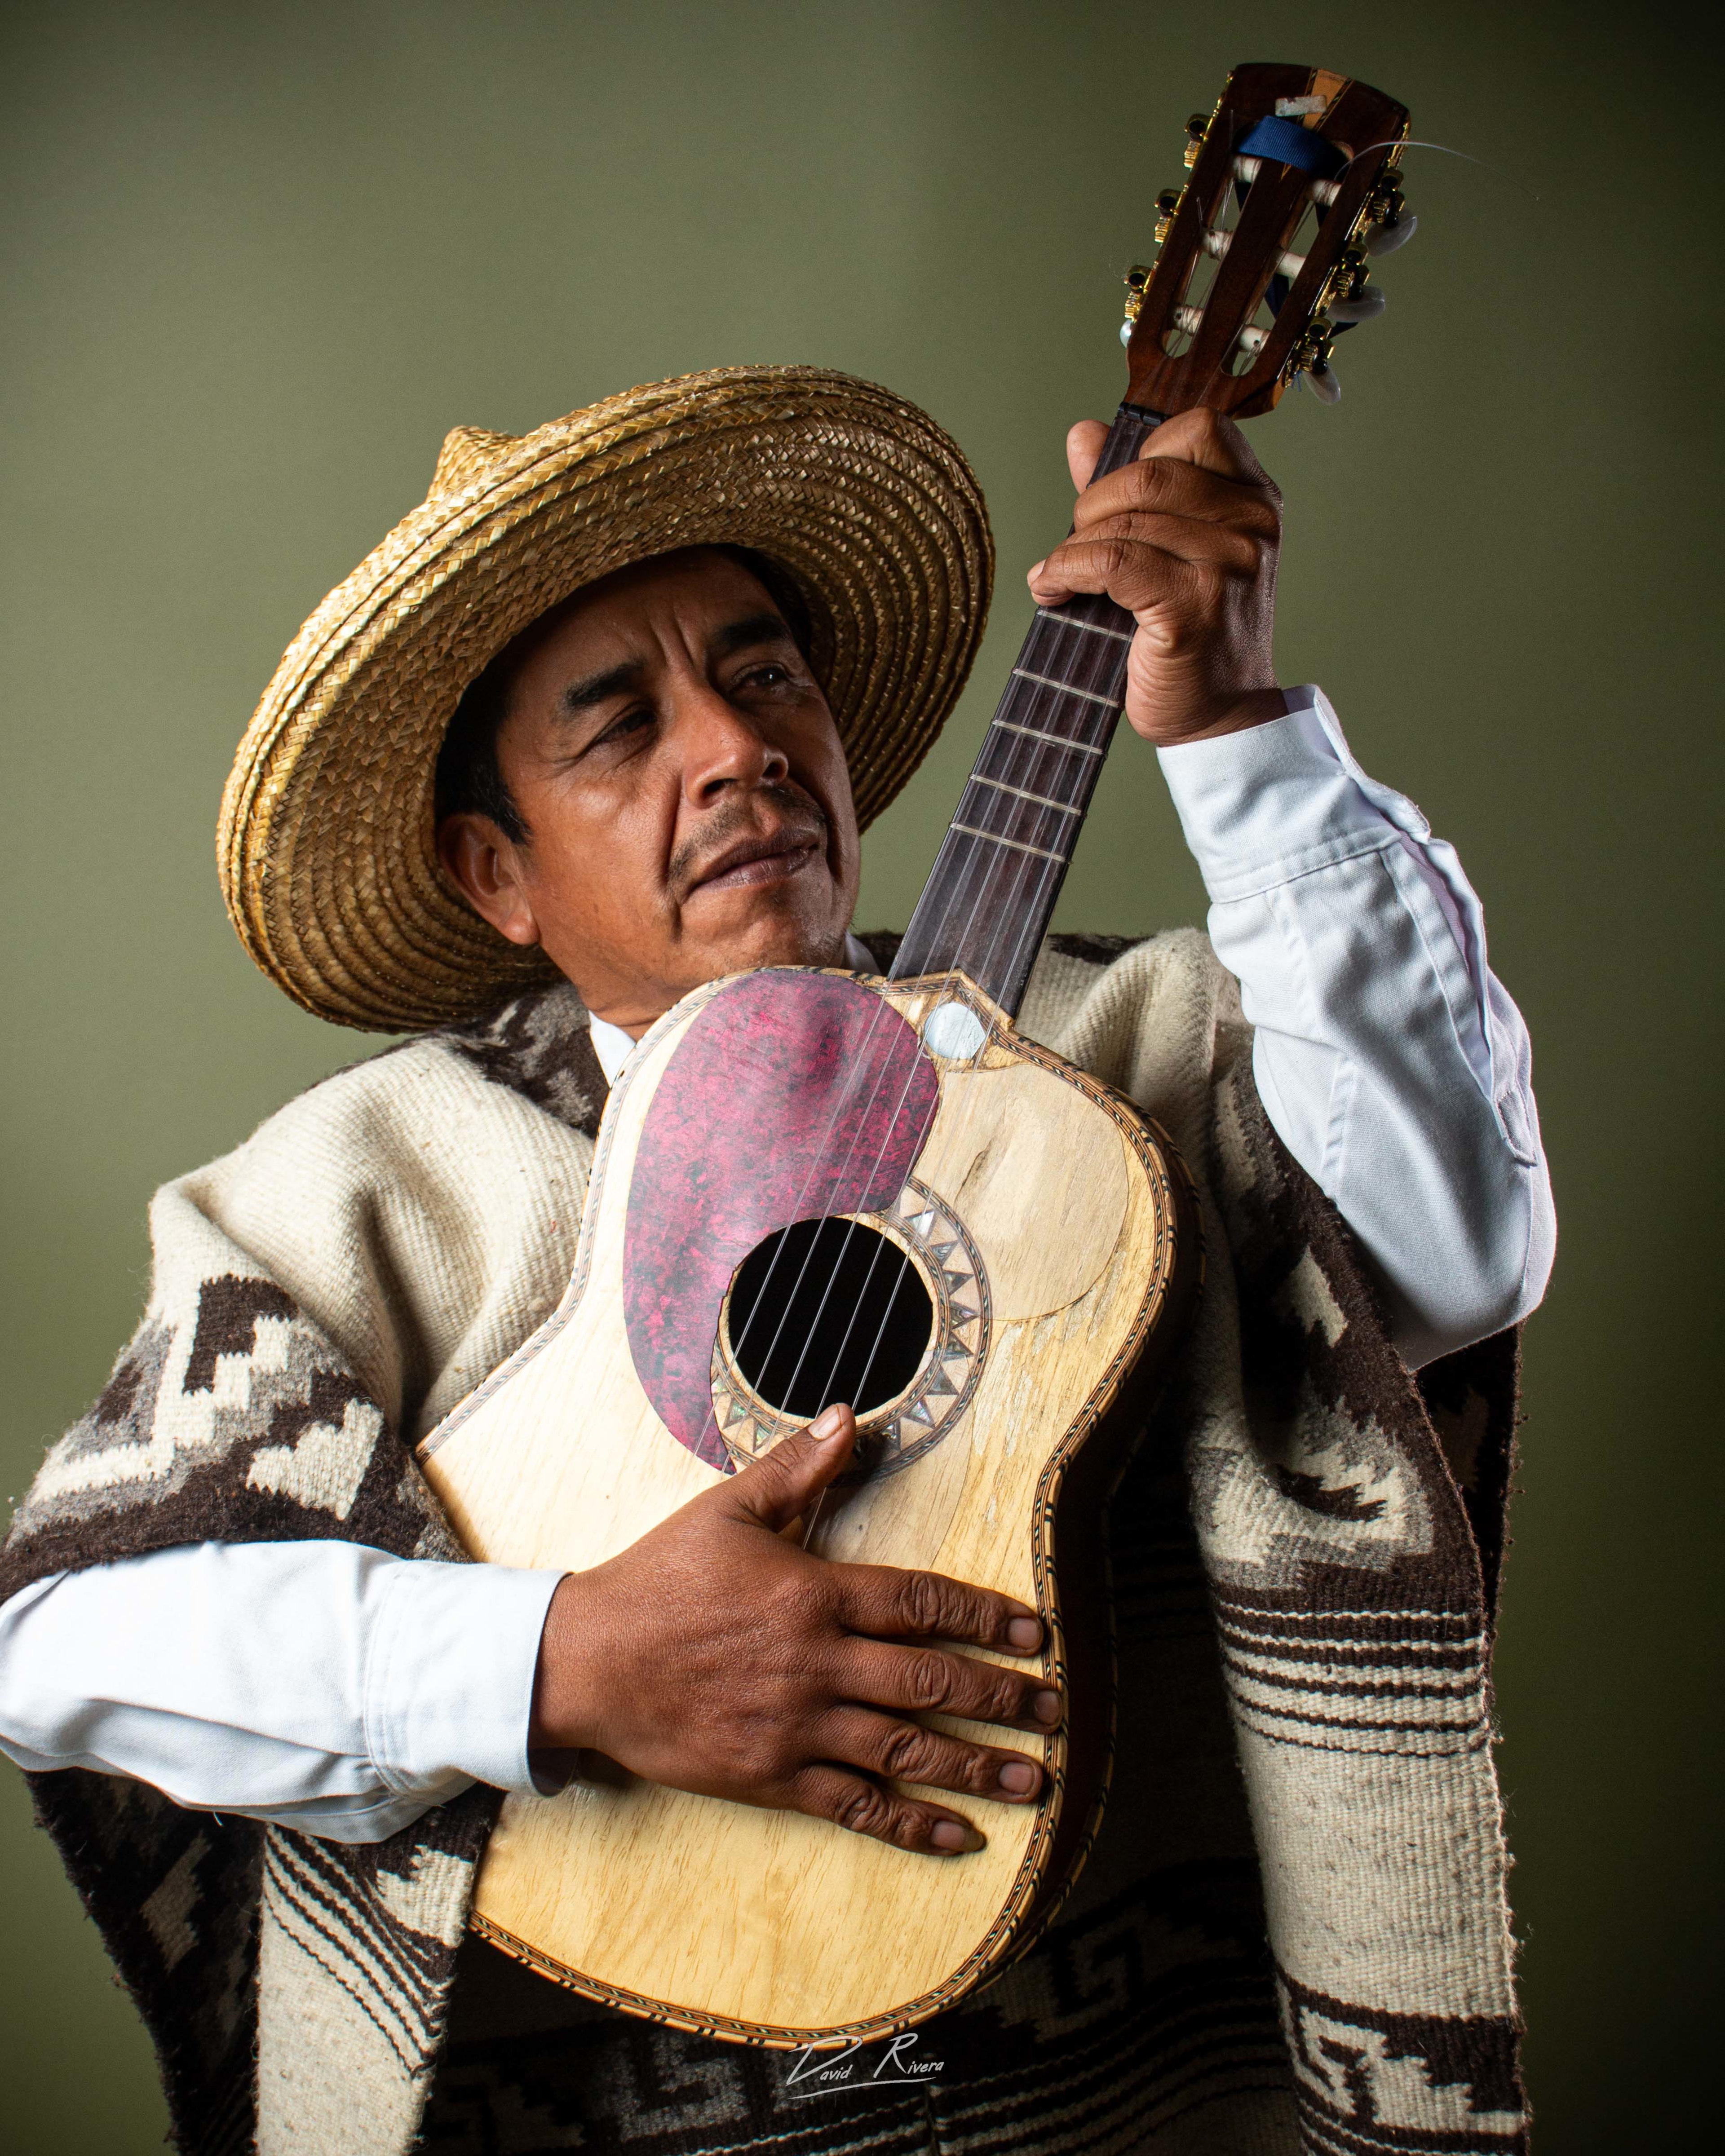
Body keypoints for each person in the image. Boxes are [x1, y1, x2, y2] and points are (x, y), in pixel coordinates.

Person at [0, 366, 1552, 2156]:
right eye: (618, 727)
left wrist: (1235, 734)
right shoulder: (378, 1185)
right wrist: (563, 1663)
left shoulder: (1136, 1059)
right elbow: (64, 1634)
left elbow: (1450, 1259)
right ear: (494, 871)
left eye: (764, 676)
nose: (737, 748)